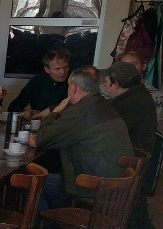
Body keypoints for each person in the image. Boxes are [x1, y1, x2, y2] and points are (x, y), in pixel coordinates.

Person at [35, 67, 132, 202]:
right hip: (116, 185)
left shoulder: (80, 111)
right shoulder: (104, 104)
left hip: (95, 187)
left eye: (69, 86)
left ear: (74, 87)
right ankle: (57, 217)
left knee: (30, 180)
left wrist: (55, 112)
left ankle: (55, 221)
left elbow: (42, 139)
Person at [103, 60, 158, 229]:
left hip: (123, 167)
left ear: (116, 84)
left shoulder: (128, 104)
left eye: (106, 83)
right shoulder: (140, 94)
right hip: (135, 165)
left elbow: (105, 132)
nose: (104, 87)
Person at [7, 49, 70, 119]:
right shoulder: (37, 81)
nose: (63, 72)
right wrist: (23, 112)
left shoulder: (73, 82)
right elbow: (13, 106)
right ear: (47, 69)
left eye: (65, 67)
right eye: (57, 69)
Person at [117, 49, 163, 118]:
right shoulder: (106, 89)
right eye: (123, 65)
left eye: (133, 64)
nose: (127, 68)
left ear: (143, 67)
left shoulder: (156, 97)